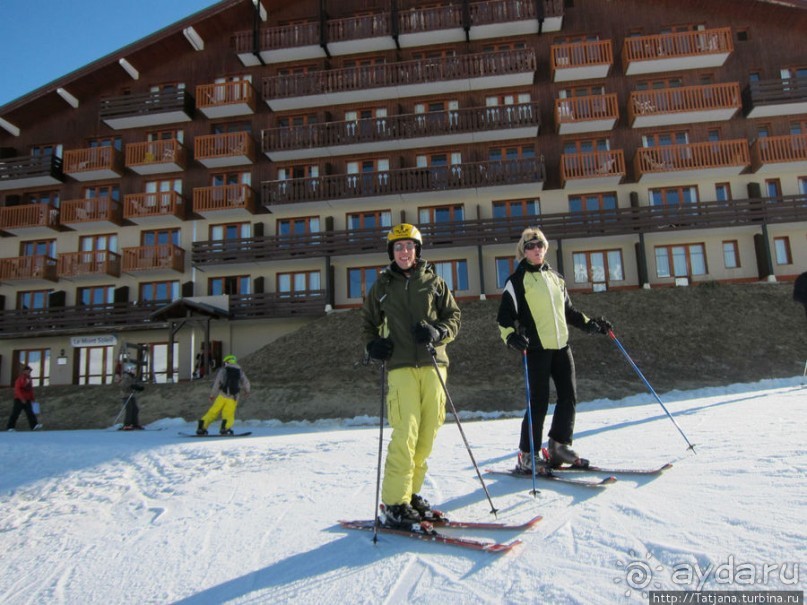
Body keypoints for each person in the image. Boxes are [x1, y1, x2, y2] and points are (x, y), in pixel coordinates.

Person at [362, 223, 461, 528]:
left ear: (418, 250)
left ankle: (411, 493)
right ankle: (394, 502)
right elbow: (368, 324)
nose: (404, 252)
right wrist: (373, 346)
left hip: (433, 366)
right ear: (391, 253)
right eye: (398, 247)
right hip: (401, 366)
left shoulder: (435, 282)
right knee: (406, 434)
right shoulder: (381, 287)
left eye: (409, 246)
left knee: (428, 434)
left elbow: (453, 317)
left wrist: (437, 331)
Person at [497, 227, 612, 472]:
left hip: (562, 347)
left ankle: (559, 446)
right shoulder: (516, 282)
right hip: (536, 349)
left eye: (539, 245)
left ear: (545, 247)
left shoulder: (556, 278)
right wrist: (511, 337)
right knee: (538, 403)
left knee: (568, 397)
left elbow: (568, 311)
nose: (536, 250)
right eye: (530, 246)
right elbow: (504, 318)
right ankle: (528, 454)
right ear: (523, 251)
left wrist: (590, 324)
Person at [197, 354, 250, 435]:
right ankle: (225, 428)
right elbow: (245, 382)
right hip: (233, 397)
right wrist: (247, 391)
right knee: (228, 414)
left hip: (222, 395)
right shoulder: (240, 371)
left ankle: (201, 427)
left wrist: (212, 395)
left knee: (213, 412)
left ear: (227, 361)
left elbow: (217, 383)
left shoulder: (223, 370)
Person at [7, 365, 42, 432]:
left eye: (30, 371)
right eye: (28, 371)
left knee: (30, 412)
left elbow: (30, 390)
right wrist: (21, 398)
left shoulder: (29, 379)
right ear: (24, 371)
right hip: (19, 399)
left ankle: (34, 425)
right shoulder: (20, 379)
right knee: (15, 413)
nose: (29, 372)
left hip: (27, 399)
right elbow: (17, 390)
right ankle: (10, 427)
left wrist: (32, 399)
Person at [119, 362, 145, 430]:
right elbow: (123, 386)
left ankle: (134, 424)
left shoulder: (132, 377)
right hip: (126, 395)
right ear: (129, 369)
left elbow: (136, 383)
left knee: (135, 409)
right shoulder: (125, 377)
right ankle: (127, 424)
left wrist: (139, 387)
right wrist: (131, 386)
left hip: (132, 395)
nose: (134, 370)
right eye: (133, 369)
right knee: (129, 409)